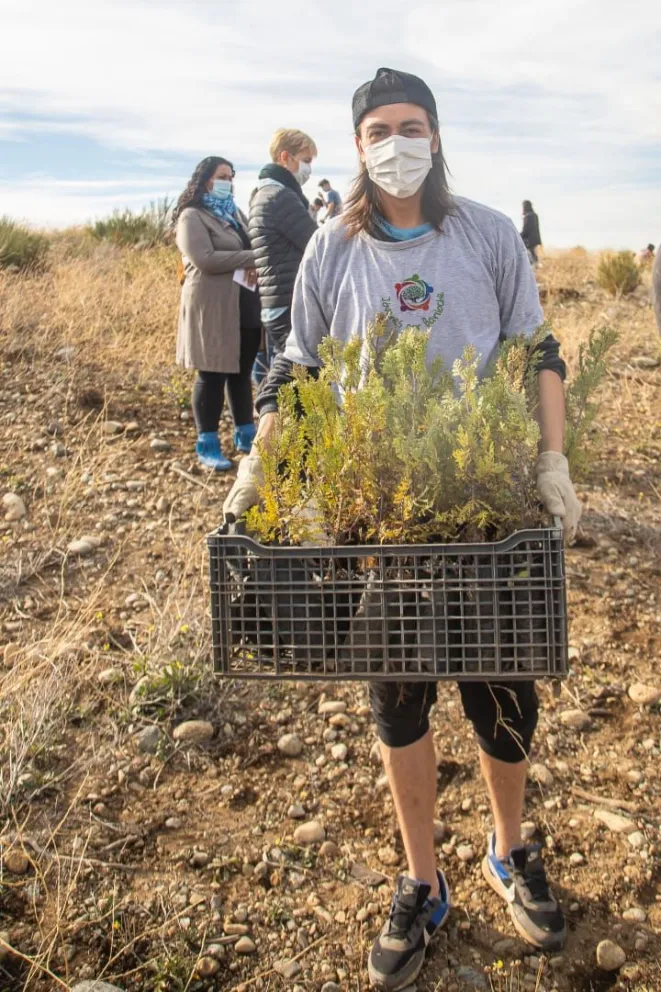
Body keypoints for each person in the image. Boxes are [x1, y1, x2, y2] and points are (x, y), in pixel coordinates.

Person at [225, 67, 581, 991]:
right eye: (379, 129)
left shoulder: (487, 234)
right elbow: (296, 369)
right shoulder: (330, 249)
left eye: (411, 125)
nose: (396, 142)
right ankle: (421, 879)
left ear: (436, 134)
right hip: (375, 520)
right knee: (398, 699)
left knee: (502, 692)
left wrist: (552, 461)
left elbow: (538, 351)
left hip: (487, 511)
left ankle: (508, 848)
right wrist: (262, 464)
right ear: (356, 144)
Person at [173, 157, 261, 471]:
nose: (228, 182)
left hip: (244, 300)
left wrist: (251, 260)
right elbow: (206, 259)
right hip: (211, 304)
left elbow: (249, 245)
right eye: (222, 176)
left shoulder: (234, 213)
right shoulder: (191, 216)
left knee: (241, 370)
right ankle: (207, 443)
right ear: (205, 179)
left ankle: (246, 435)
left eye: (231, 176)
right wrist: (254, 258)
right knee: (212, 373)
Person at [249, 128, 318, 368]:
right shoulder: (280, 197)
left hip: (276, 302)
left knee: (284, 370)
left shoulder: (263, 194)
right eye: (306, 160)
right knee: (297, 375)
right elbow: (316, 244)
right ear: (285, 157)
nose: (309, 169)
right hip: (289, 302)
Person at [521, 199, 542, 266]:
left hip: (529, 240)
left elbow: (526, 229)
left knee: (529, 253)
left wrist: (519, 235)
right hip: (535, 238)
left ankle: (534, 265)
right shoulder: (534, 215)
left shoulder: (528, 216)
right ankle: (536, 264)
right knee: (533, 253)